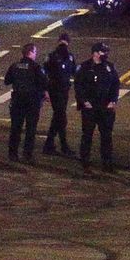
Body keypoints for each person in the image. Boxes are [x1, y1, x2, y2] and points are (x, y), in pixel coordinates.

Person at [74, 42, 121, 174]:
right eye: (102, 52)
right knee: (87, 135)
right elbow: (78, 86)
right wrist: (84, 102)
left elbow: (115, 84)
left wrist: (113, 100)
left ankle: (107, 163)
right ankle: (85, 162)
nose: (105, 54)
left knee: (106, 136)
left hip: (105, 106)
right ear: (95, 53)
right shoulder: (84, 67)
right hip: (90, 107)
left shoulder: (109, 67)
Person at [3, 43, 50, 163]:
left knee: (15, 128)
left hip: (17, 100)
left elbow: (7, 81)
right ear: (31, 52)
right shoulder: (36, 67)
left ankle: (12, 153)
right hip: (32, 102)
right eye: (35, 52)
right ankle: (27, 154)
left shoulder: (15, 66)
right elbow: (45, 83)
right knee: (30, 129)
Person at [42, 33, 77, 156]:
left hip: (56, 89)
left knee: (58, 116)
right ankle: (61, 145)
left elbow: (44, 72)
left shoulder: (51, 56)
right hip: (60, 90)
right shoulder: (69, 56)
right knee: (61, 117)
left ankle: (50, 143)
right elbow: (74, 73)